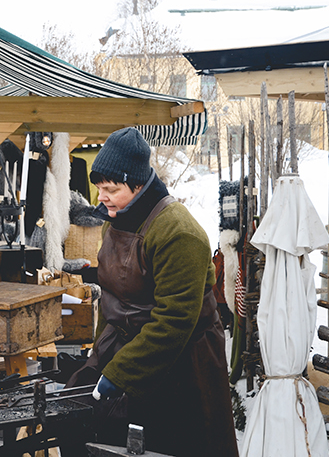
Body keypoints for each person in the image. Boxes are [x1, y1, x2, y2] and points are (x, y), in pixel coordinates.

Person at [64, 127, 238, 456]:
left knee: (167, 443)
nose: (101, 197)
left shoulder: (178, 232)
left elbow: (174, 320)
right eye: (99, 188)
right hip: (128, 343)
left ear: (139, 184)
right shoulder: (116, 217)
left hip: (182, 360)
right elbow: (127, 285)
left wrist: (119, 372)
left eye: (111, 189)